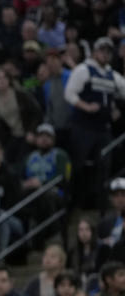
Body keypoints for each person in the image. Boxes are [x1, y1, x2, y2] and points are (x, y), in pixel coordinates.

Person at [65, 38, 125, 208]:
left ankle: (100, 205)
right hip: (83, 127)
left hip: (103, 128)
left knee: (104, 166)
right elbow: (69, 94)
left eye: (108, 51)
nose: (105, 54)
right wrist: (86, 106)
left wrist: (117, 108)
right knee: (78, 165)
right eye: (102, 50)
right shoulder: (84, 69)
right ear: (94, 51)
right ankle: (74, 203)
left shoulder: (112, 74)